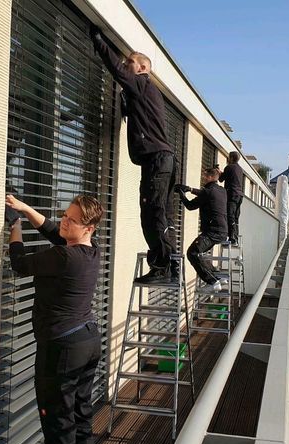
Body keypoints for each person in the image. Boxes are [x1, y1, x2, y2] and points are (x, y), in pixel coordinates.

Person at [6, 194, 104, 444]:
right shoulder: (92, 250)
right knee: (81, 418)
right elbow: (52, 230)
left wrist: (15, 227)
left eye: (72, 220)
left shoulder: (64, 256)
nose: (64, 222)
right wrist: (25, 209)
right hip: (87, 341)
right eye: (65, 215)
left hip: (63, 349)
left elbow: (20, 264)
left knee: (59, 427)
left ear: (88, 228)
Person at [90, 25, 179, 284]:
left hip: (157, 160)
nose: (126, 65)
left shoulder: (141, 83)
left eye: (130, 62)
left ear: (143, 68)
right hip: (162, 160)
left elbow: (117, 71)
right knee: (159, 213)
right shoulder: (143, 92)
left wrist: (98, 39)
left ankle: (162, 268)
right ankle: (168, 266)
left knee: (151, 213)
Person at [176, 168, 229, 291]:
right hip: (223, 231)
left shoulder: (207, 191)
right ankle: (217, 276)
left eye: (205, 176)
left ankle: (212, 282)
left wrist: (181, 194)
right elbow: (206, 194)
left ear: (210, 177)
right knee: (200, 253)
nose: (203, 179)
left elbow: (190, 206)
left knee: (192, 253)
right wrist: (189, 189)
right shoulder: (222, 191)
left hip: (212, 232)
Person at [219, 151, 245, 245]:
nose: (227, 159)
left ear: (231, 158)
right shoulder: (240, 169)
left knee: (230, 215)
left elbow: (221, 179)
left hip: (232, 195)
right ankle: (235, 237)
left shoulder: (229, 167)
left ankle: (232, 238)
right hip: (239, 195)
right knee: (236, 217)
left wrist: (219, 173)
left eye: (228, 157)